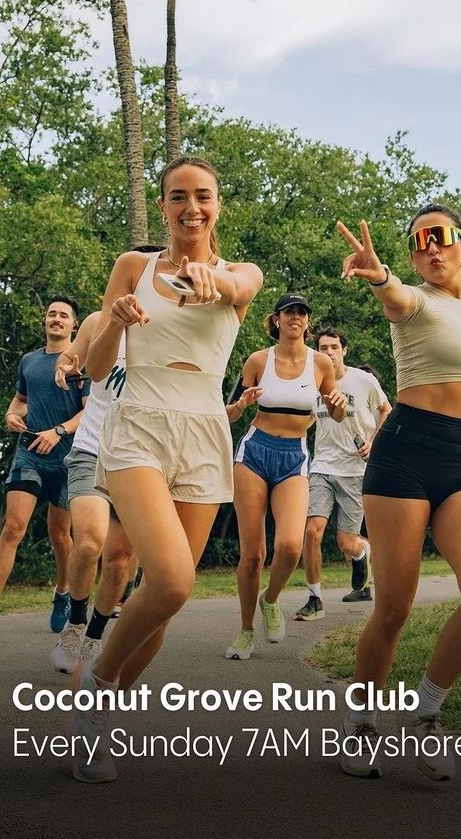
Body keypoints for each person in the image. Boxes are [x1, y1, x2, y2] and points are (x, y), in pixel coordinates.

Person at [69, 156, 262, 783]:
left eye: (202, 196)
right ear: (162, 206)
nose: (190, 208)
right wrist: (115, 323)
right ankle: (95, 689)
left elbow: (238, 290)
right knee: (175, 580)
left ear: (218, 204)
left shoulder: (240, 273)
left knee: (163, 604)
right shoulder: (134, 267)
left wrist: (215, 282)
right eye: (177, 197)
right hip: (140, 422)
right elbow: (97, 368)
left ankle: (105, 712)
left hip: (205, 429)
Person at [336, 206, 461, 782]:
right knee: (393, 608)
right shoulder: (413, 301)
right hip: (405, 457)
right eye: (419, 244)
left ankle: (426, 714)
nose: (430, 250)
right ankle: (362, 724)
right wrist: (378, 275)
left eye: (440, 239)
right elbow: (396, 298)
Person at [225, 295, 347, 661]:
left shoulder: (322, 364)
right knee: (253, 554)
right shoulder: (258, 360)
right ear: (276, 320)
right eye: (289, 312)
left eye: (302, 313)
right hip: (254, 453)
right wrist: (241, 405)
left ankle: (271, 599)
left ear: (307, 323)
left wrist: (339, 410)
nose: (296, 317)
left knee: (291, 546)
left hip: (294, 456)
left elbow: (336, 414)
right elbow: (227, 414)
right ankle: (245, 631)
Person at [0, 296, 89, 639]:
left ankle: (63, 593)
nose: (57, 319)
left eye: (64, 315)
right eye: (52, 314)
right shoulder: (29, 361)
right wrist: (10, 415)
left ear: (74, 324)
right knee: (13, 527)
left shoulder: (82, 361)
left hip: (66, 458)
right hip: (29, 452)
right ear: (45, 321)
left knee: (61, 535)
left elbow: (90, 412)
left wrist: (58, 431)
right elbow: (20, 401)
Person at [49, 309, 135, 673]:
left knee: (119, 558)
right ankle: (75, 625)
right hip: (91, 448)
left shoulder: (170, 326)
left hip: (138, 457)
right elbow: (74, 355)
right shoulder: (98, 320)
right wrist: (65, 364)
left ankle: (96, 635)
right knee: (88, 541)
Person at [295, 327, 391, 619]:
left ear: (344, 351)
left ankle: (362, 552)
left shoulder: (363, 380)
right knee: (311, 532)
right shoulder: (311, 384)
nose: (329, 352)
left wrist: (374, 442)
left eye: (334, 347)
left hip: (354, 470)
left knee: (345, 543)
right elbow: (307, 419)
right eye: (323, 348)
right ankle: (314, 599)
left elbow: (387, 410)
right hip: (322, 467)